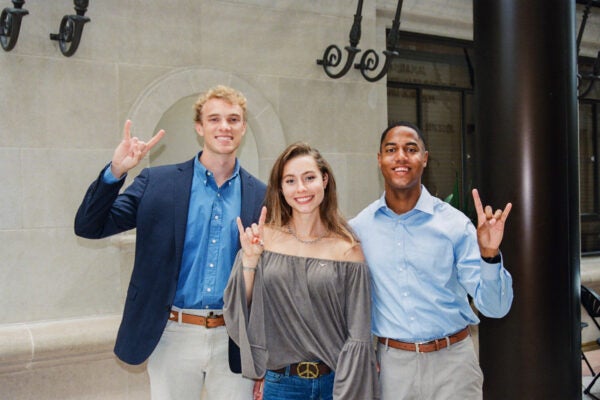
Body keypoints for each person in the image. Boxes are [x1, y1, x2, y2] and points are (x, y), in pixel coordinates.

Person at [74, 85, 266, 400]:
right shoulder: (158, 184)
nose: (224, 127)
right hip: (172, 333)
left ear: (243, 127)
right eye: (214, 119)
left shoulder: (262, 195)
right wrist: (116, 171)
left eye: (233, 119)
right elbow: (89, 226)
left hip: (235, 338)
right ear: (199, 127)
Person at [349, 121, 513, 400]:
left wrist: (489, 254)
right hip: (391, 370)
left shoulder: (455, 225)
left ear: (425, 158)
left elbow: (496, 308)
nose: (401, 156)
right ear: (380, 160)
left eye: (411, 149)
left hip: (454, 366)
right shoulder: (359, 229)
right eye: (391, 149)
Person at [223, 143, 379, 400]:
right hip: (281, 384)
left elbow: (359, 334)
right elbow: (239, 309)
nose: (302, 189)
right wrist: (249, 261)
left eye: (309, 178)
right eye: (290, 181)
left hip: (336, 382)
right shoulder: (263, 240)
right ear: (281, 188)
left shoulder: (348, 249)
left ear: (325, 180)